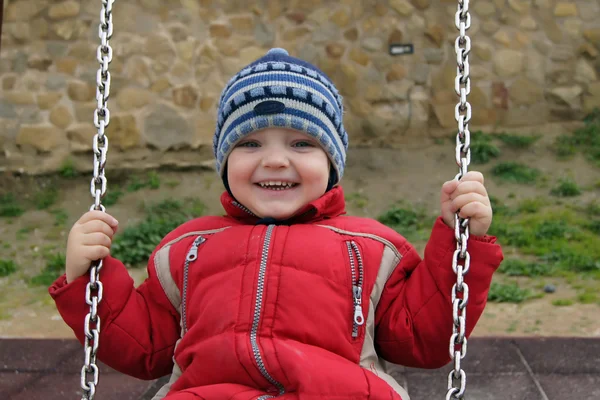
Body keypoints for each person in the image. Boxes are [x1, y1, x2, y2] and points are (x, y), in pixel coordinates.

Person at [50, 48, 503, 400]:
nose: (274, 160)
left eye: (302, 143)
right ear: (225, 162)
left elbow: (424, 340)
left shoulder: (372, 247)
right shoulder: (186, 248)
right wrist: (88, 277)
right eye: (249, 143)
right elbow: (143, 345)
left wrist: (461, 242)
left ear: (332, 163)